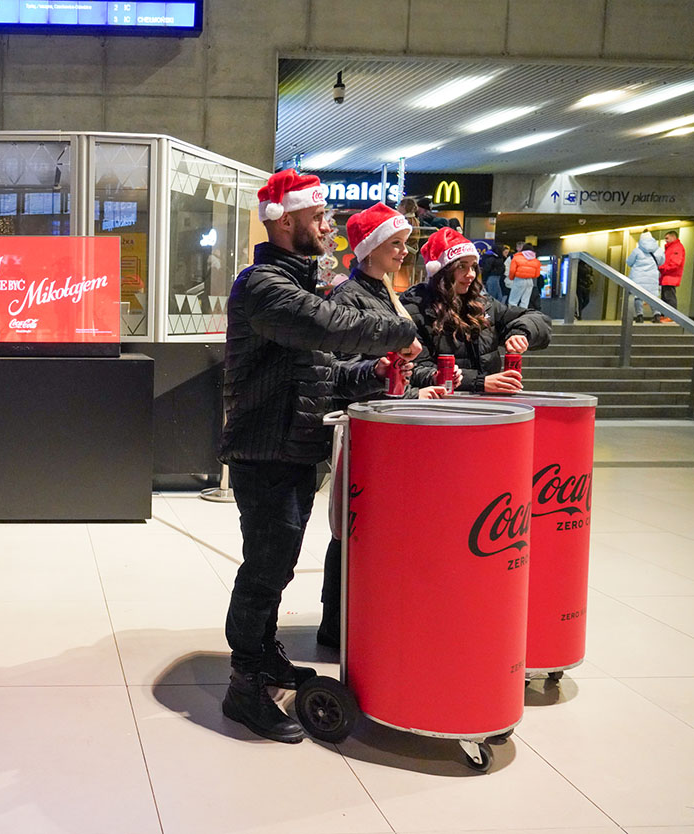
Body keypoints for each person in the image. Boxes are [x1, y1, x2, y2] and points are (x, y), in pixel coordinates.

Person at [218, 170, 421, 743]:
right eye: (317, 217)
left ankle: (264, 656)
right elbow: (326, 325)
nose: (326, 225)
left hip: (294, 447)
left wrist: (371, 372)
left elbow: (323, 373)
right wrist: (394, 333)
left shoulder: (298, 286)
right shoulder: (262, 286)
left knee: (276, 567)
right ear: (285, 221)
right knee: (265, 569)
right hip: (266, 452)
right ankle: (244, 686)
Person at [315, 203, 454, 650]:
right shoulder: (350, 298)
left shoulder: (383, 292)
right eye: (394, 243)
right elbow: (343, 374)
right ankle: (338, 624)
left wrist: (423, 387)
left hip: (386, 428)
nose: (403, 251)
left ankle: (354, 619)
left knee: (366, 530)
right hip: (365, 433)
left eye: (405, 243)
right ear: (369, 249)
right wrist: (394, 381)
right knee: (352, 530)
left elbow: (397, 369)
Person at [402, 227, 552, 394]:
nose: (471, 274)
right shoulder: (415, 309)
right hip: (441, 407)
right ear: (441, 271)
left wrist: (520, 332)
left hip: (486, 405)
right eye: (462, 267)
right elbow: (415, 369)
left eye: (473, 267)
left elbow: (537, 318)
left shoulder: (483, 303)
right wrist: (479, 382)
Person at [626, 230, 666, 323]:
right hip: (652, 277)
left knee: (637, 297)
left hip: (637, 276)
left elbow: (629, 262)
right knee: (653, 297)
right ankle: (656, 315)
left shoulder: (637, 250)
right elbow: (661, 262)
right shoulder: (658, 250)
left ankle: (639, 316)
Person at [659, 230, 685, 321]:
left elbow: (675, 264)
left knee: (669, 296)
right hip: (667, 276)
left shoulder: (676, 248)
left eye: (667, 238)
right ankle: (665, 315)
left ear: (673, 237)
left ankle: (671, 316)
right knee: (665, 296)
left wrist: (662, 268)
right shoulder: (670, 248)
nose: (665, 240)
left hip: (671, 276)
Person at [507, 243, 541, 308]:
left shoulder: (516, 257)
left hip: (519, 280)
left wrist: (511, 278)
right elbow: (537, 274)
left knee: (513, 301)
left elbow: (512, 270)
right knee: (525, 302)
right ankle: (523, 316)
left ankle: (512, 315)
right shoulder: (535, 260)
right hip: (530, 281)